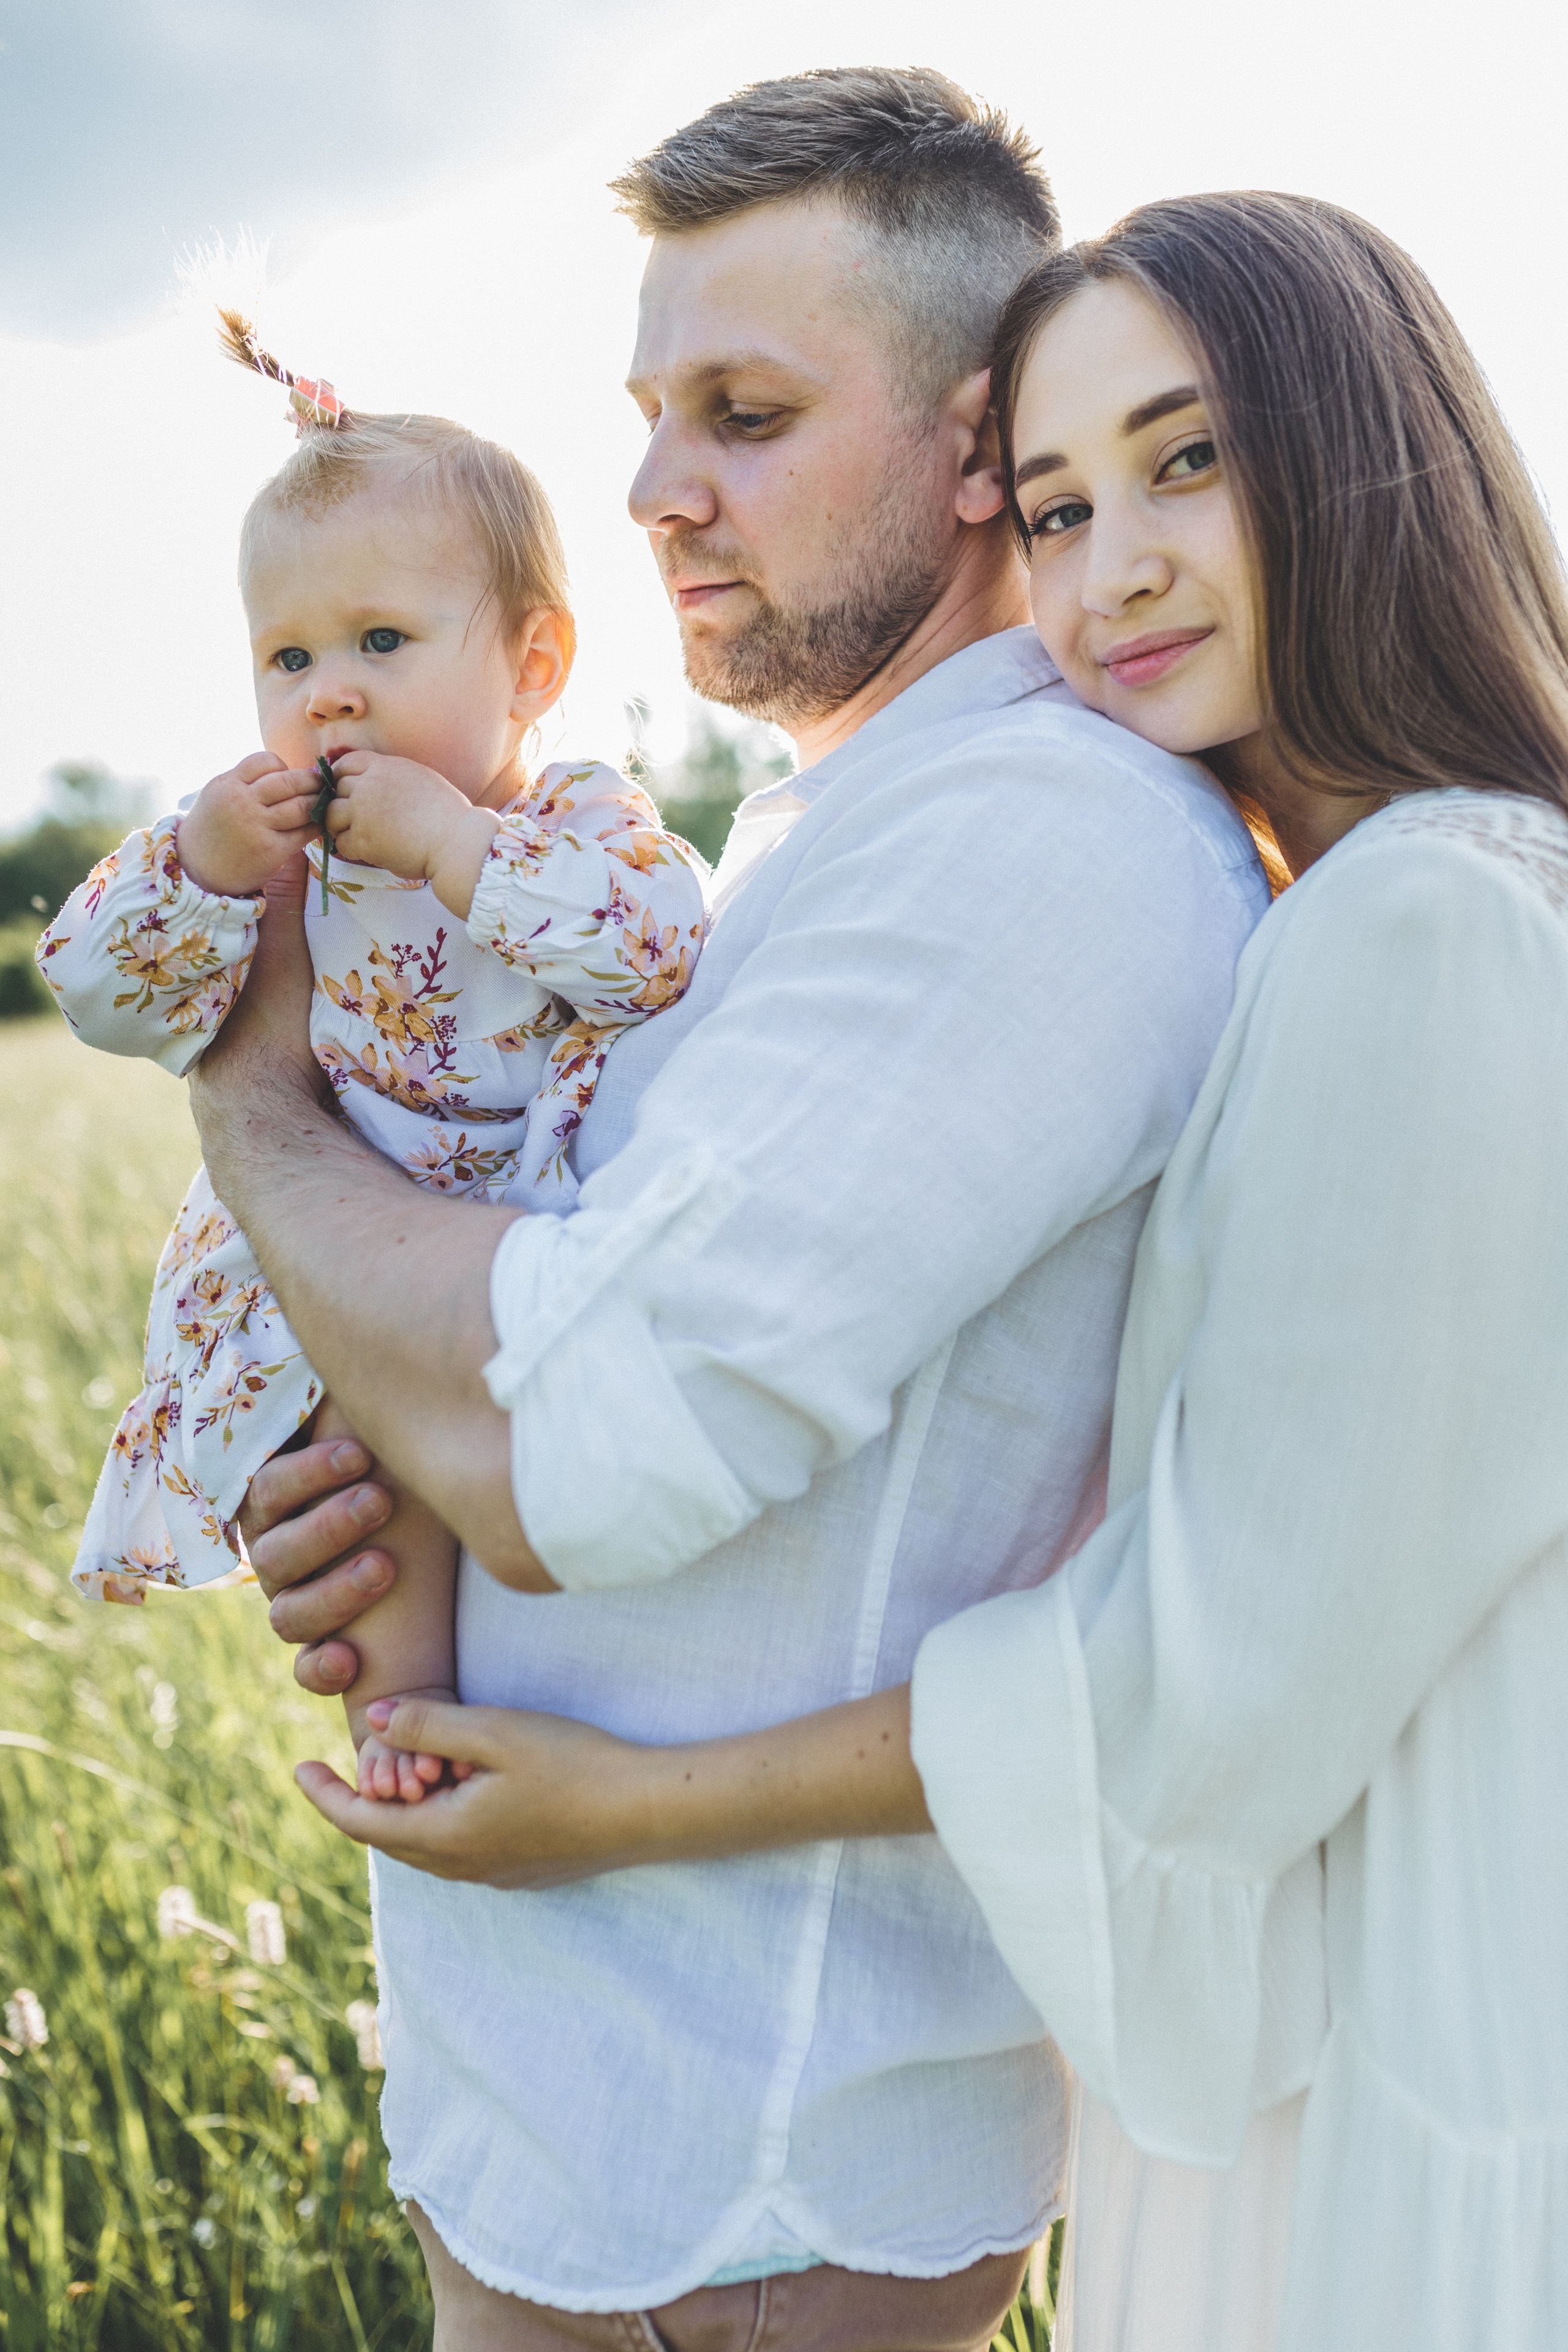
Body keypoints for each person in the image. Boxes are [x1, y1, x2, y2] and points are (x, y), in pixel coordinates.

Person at [324, 192, 1568, 2352]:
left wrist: (633, 1809)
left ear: (1378, 448)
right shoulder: (1353, 898)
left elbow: (1204, 1674)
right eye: (1068, 505)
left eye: (1192, 461)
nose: (1119, 573)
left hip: (1419, 2038)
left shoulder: (1432, 919)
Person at [186, 70, 1270, 2352]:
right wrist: (378, 1502)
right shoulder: (808, 833)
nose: (656, 491)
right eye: (651, 409)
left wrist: (252, 1091)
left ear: (982, 449)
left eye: (749, 413)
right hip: (589, 2110)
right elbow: (524, 1379)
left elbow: (574, 1441)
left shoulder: (1035, 846)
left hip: (734, 2161)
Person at [39, 347, 705, 1802]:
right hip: (323, 1261)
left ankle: (492, 1701)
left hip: (499, 1244)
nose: (327, 697)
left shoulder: (574, 818)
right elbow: (97, 994)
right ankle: (400, 1723)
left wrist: (456, 850)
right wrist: (202, 868)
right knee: (352, 1467)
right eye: (289, 658)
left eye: (381, 643)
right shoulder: (266, 858)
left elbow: (655, 948)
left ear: (533, 667)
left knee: (469, 1465)